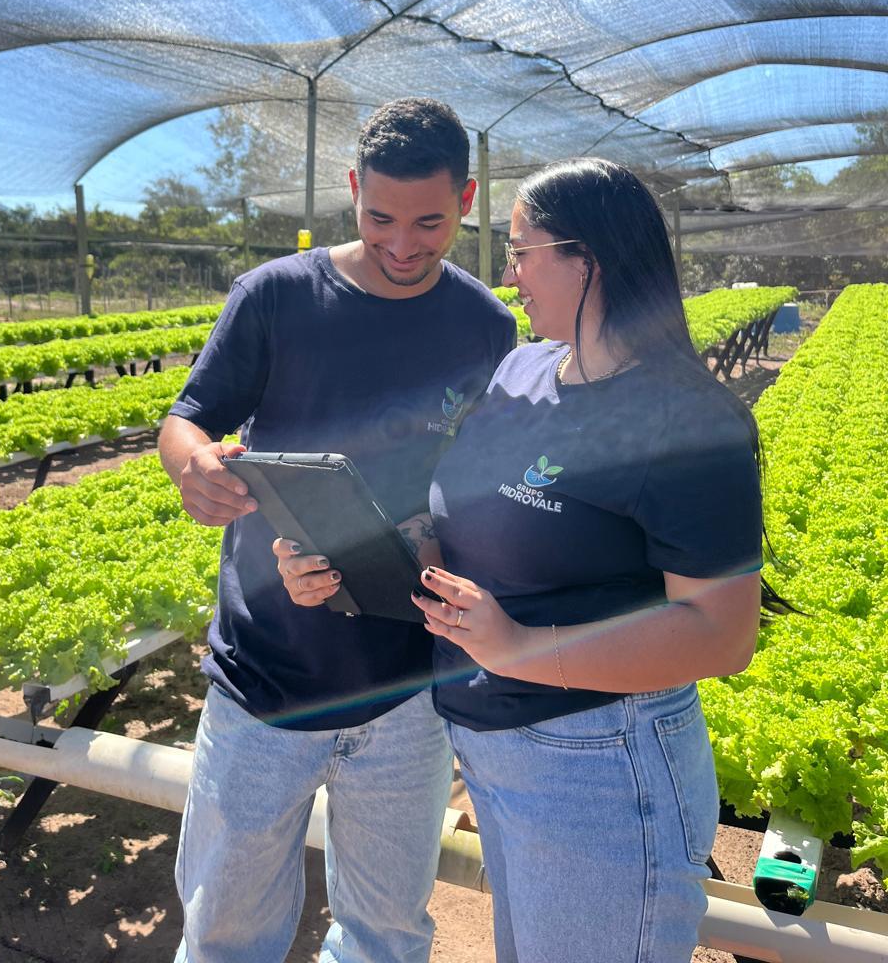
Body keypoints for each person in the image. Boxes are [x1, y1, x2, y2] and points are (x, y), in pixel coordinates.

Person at [158, 97, 516, 963]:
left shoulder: (486, 327)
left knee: (385, 935)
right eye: (379, 217)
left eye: (429, 223)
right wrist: (193, 467)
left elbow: (479, 489)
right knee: (224, 933)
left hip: (406, 691)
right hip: (264, 679)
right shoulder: (277, 296)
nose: (403, 245)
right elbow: (188, 417)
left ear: (467, 200)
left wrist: (421, 539)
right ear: (353, 189)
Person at [411, 159, 767, 962]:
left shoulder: (685, 422)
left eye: (521, 252)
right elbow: (467, 513)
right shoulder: (523, 367)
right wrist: (375, 544)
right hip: (491, 748)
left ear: (588, 259)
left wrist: (519, 647)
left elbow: (722, 634)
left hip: (600, 767)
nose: (509, 276)